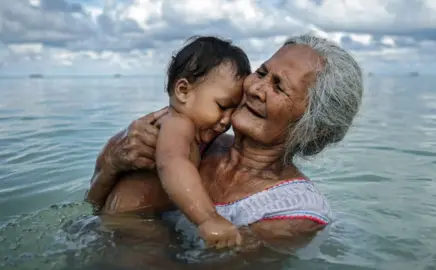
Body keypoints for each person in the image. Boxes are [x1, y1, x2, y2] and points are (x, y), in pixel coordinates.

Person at [85, 33, 363, 255]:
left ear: (312, 128)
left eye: (278, 87)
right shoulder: (197, 139)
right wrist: (111, 163)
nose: (255, 88)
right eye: (262, 72)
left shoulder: (294, 215)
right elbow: (94, 209)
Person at [153, 36, 250, 248]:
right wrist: (208, 218)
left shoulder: (186, 129)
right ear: (183, 91)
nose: (228, 120)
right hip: (131, 226)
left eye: (234, 110)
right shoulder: (178, 124)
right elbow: (172, 162)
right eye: (222, 106)